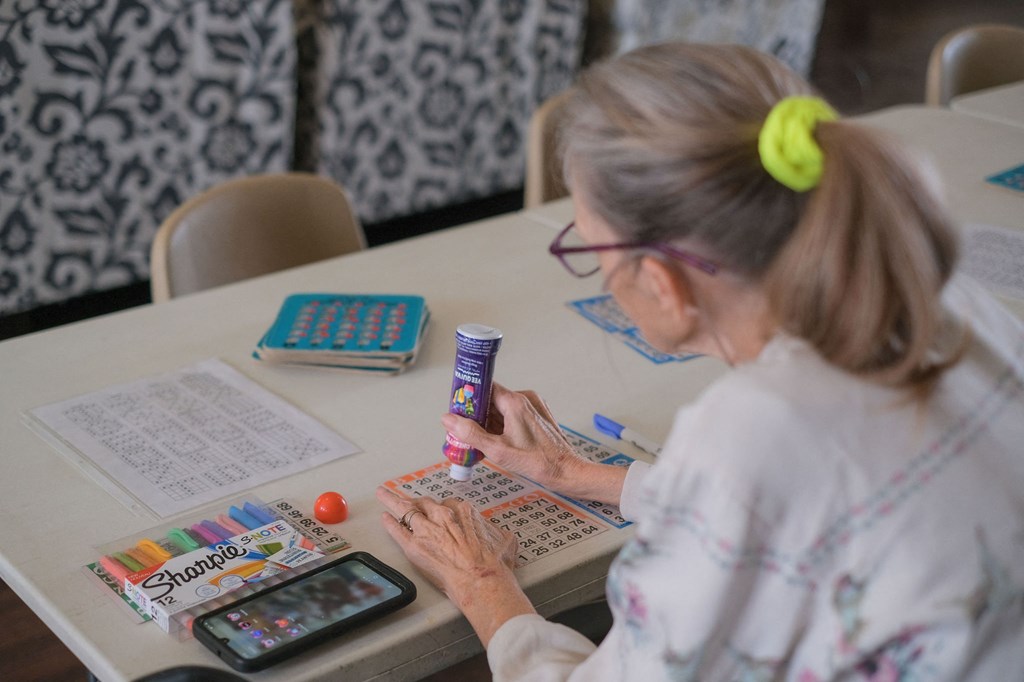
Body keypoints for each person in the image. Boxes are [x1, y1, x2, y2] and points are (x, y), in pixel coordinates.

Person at [376, 43, 1024, 680]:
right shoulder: (951, 303)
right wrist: (577, 474)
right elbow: (794, 506)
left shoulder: (753, 430)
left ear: (662, 281)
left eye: (592, 250)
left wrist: (483, 581)